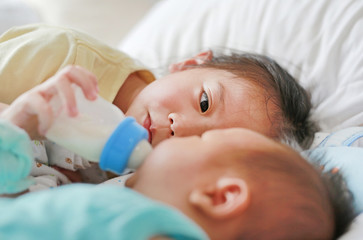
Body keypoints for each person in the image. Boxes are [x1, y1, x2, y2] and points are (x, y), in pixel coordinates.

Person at [0, 92, 354, 239]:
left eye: (200, 142)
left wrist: (15, 128)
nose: (178, 134)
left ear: (220, 196)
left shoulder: (123, 216)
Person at [0, 24, 317, 188]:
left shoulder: (139, 181)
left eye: (202, 145)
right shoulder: (65, 56)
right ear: (190, 64)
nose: (183, 128)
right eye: (204, 103)